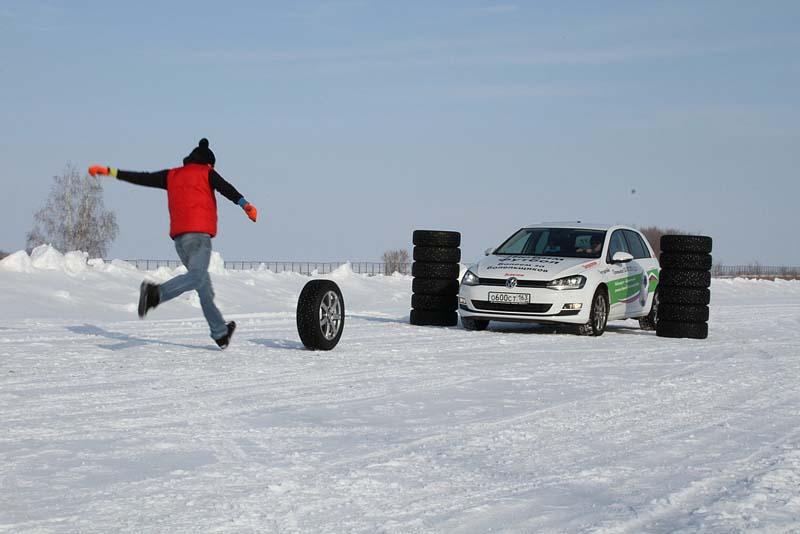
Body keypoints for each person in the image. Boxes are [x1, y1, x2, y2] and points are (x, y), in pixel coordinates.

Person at [88, 138, 258, 349]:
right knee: (196, 277)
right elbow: (226, 188)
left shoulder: (172, 175)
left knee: (204, 288)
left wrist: (109, 171)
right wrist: (246, 205)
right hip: (199, 238)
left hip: (180, 241)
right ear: (208, 163)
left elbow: (142, 178)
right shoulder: (207, 172)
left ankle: (220, 333)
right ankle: (155, 294)